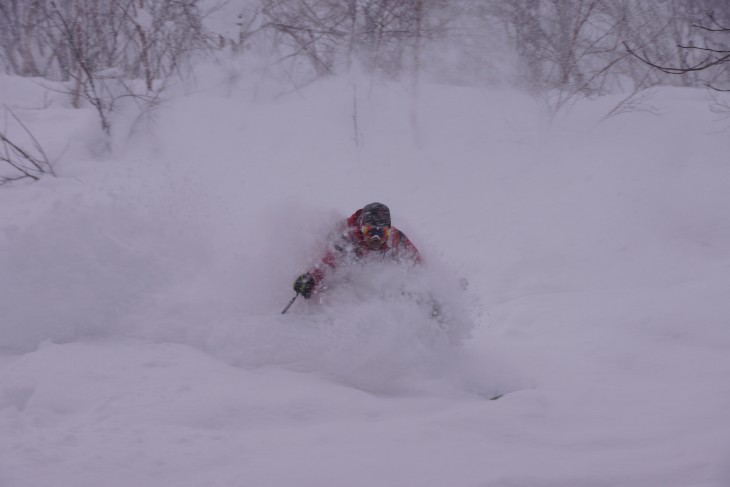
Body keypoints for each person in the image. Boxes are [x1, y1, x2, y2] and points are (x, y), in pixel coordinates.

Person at [293, 202, 422, 299]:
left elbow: (417, 263)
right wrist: (312, 279)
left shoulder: (394, 238)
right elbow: (328, 262)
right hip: (346, 261)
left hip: (370, 265)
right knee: (341, 281)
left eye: (381, 232)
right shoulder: (346, 235)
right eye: (370, 231)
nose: (375, 238)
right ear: (361, 227)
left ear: (388, 230)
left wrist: (424, 289)